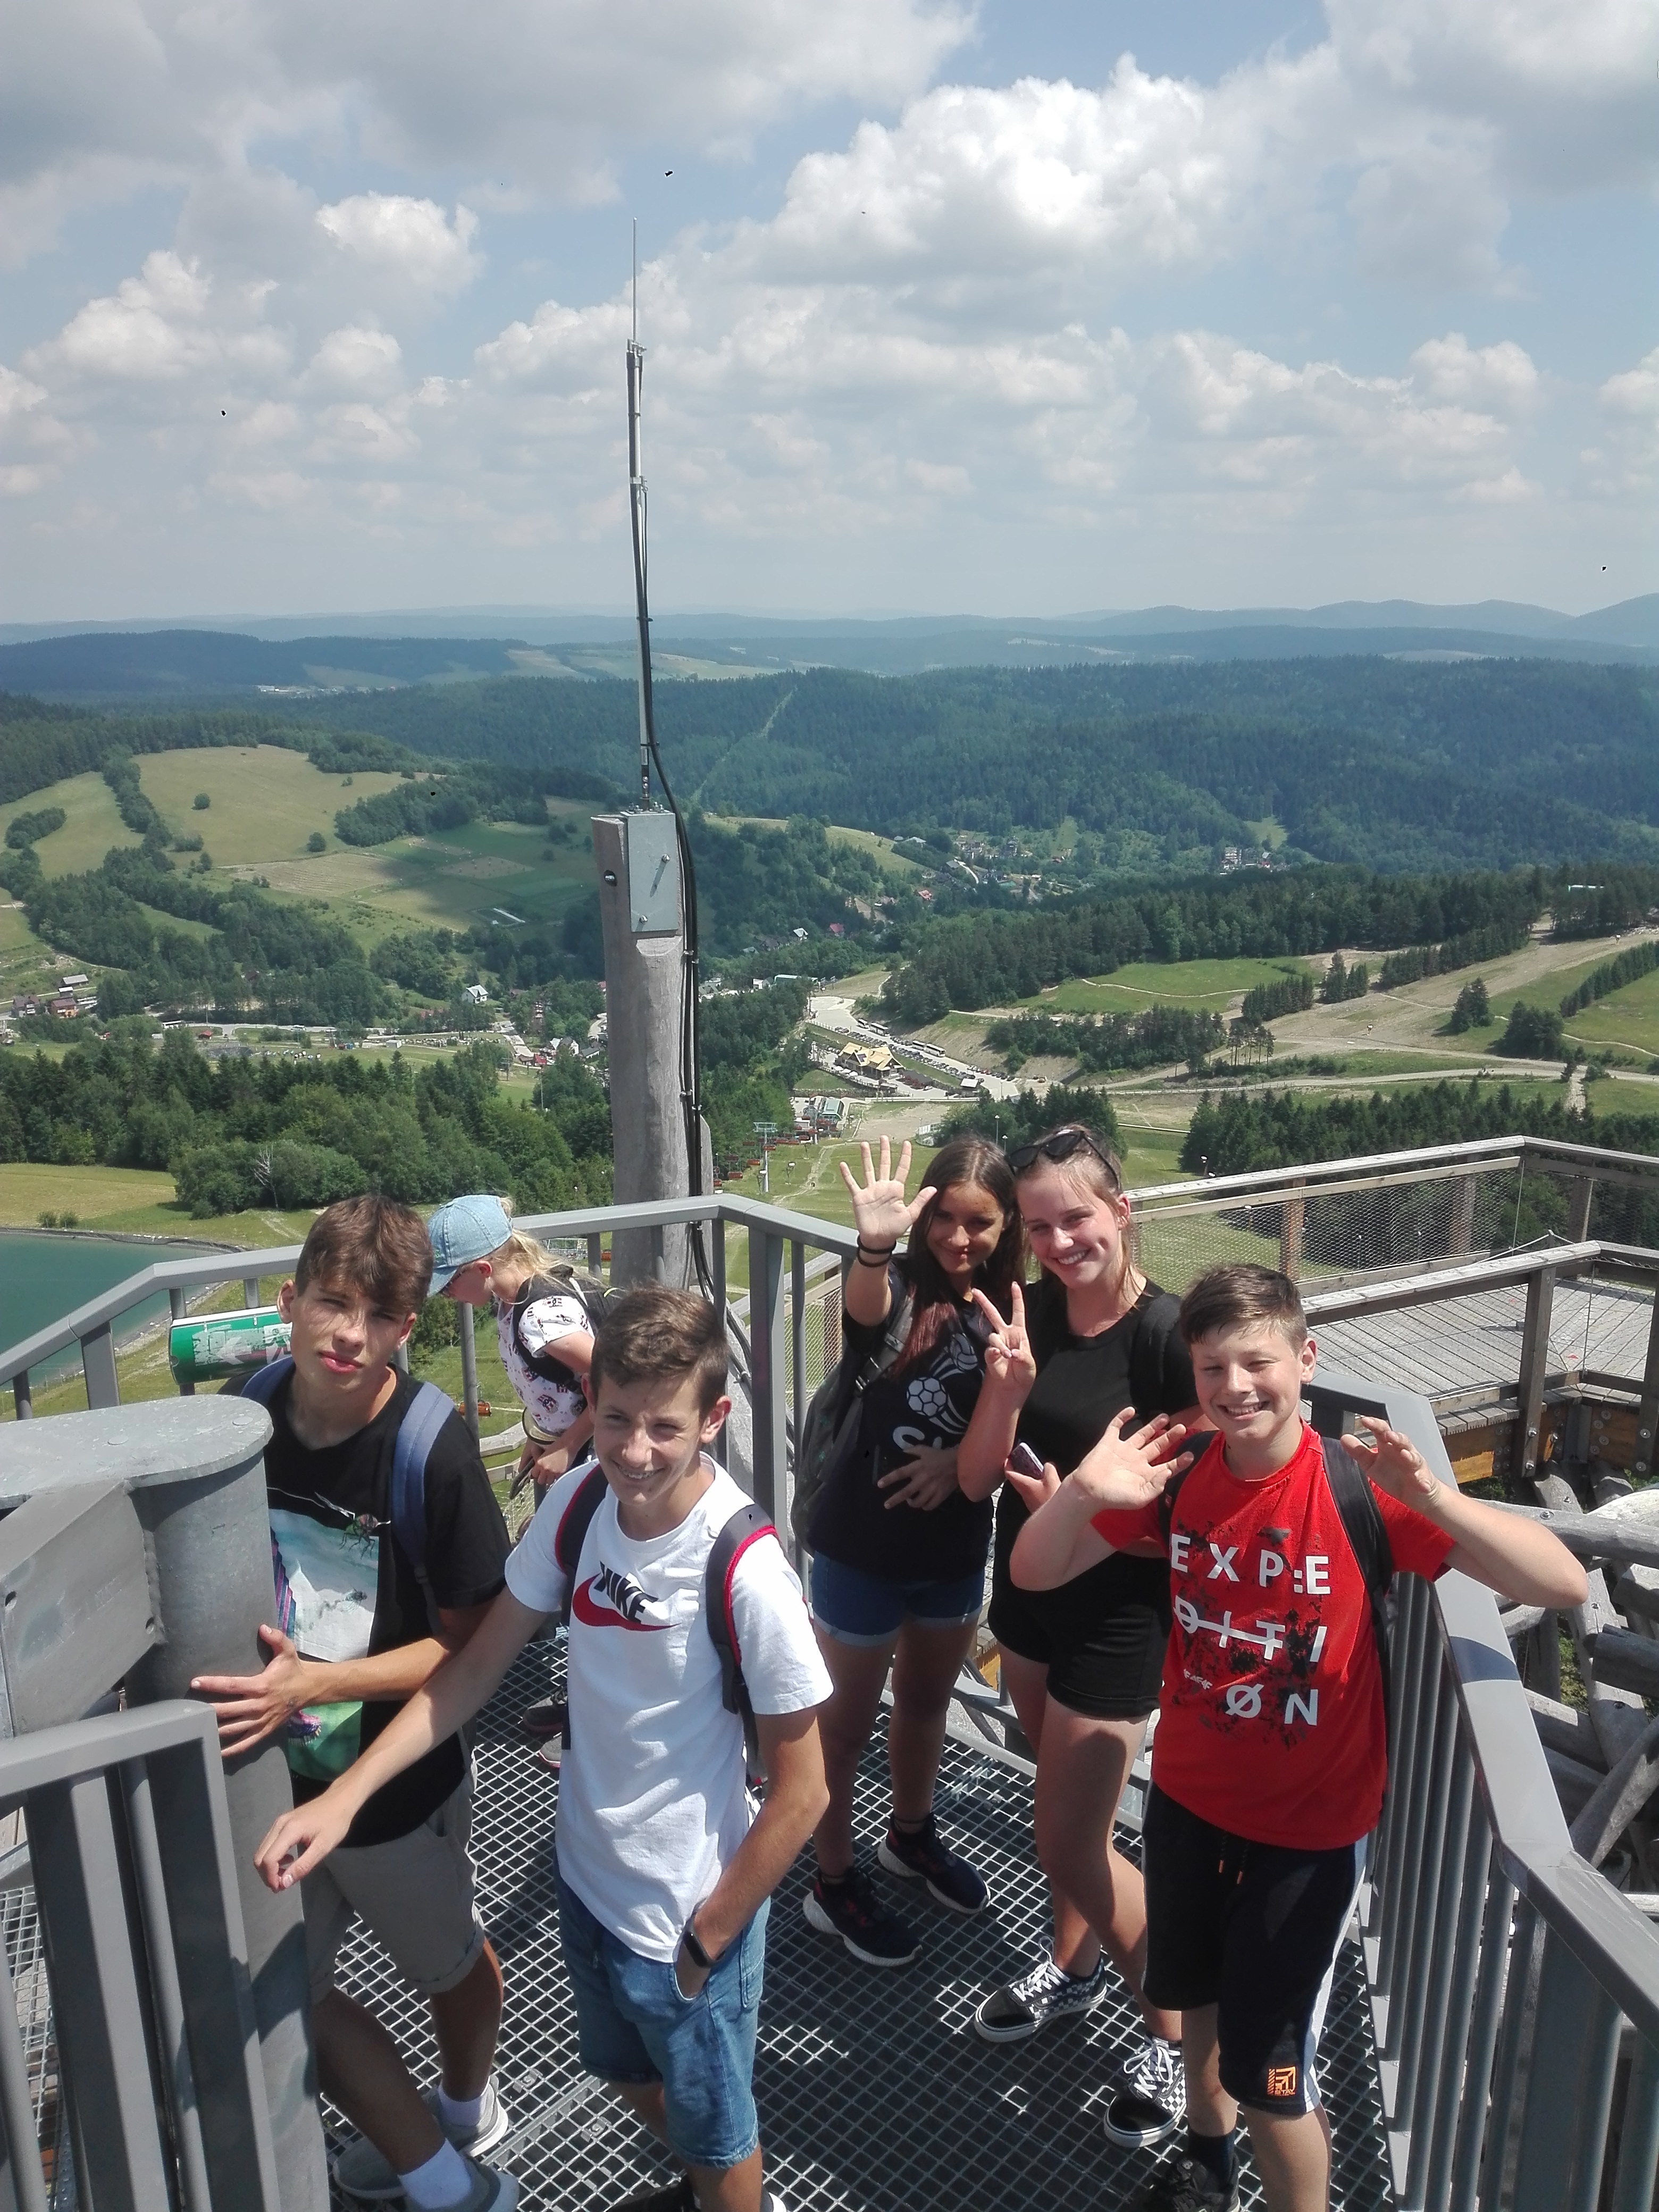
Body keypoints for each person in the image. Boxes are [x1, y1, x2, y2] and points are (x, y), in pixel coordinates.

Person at [1010, 1260, 1587, 2212]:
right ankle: (1206, 2158)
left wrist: (1434, 1499)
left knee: (1271, 2075)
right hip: (1189, 1801)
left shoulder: (1359, 1489)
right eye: (1212, 1368)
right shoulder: (1181, 1475)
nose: (1235, 1388)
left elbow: (1561, 1584)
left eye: (1257, 1363)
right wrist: (1082, 1493)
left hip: (1309, 1835)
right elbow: (1035, 1572)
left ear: (1306, 1359)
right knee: (1195, 1999)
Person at [253, 1285, 833, 2212]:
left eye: (665, 1428)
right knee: (630, 2078)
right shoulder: (579, 1504)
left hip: (684, 1910)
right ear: (590, 1404)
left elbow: (805, 1792)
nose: (635, 1452)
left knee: (722, 2138)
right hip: (590, 1881)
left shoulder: (746, 1571)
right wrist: (343, 1796)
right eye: (617, 1420)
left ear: (714, 1420)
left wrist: (708, 1939)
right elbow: (475, 1667)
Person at [192, 1194, 515, 2212]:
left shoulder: (433, 1451)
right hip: (276, 1779)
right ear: (289, 1302)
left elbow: (469, 1644)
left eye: (379, 1317)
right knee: (286, 1993)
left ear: (406, 1328)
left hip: (394, 1792)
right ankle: (444, 2179)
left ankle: (466, 2107)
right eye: (333, 1304)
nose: (350, 1336)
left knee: (449, 1964)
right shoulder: (247, 1418)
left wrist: (316, 1683)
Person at [958, 1125, 1197, 2148]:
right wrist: (1005, 1391)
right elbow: (978, 1478)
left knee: (1067, 1836)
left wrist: (1078, 1512)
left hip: (1119, 1621)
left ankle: (1181, 2035)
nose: (1059, 1243)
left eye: (1078, 1219)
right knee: (1071, 1826)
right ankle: (1074, 1966)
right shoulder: (1032, 1316)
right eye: (1040, 1226)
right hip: (1029, 1601)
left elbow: (1200, 1523)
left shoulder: (1169, 1340)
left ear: (1122, 1211)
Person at [802, 1135, 1023, 1966]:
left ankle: (910, 1834)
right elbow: (863, 1314)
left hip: (953, 1548)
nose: (959, 1238)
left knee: (927, 1703)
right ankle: (831, 1880)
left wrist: (959, 1460)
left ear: (1006, 1226)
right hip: (861, 1545)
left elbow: (1021, 1417)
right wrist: (872, 1245)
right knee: (843, 1729)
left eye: (980, 1222)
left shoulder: (1013, 1307)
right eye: (945, 1218)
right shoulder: (896, 1285)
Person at [428, 1193, 598, 1490]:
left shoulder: (539, 1319)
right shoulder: (511, 1300)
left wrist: (568, 1447)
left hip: (598, 1455)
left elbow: (619, 1379)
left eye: (448, 1283)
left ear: (483, 1270)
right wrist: (540, 1433)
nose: (446, 1295)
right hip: (570, 1445)